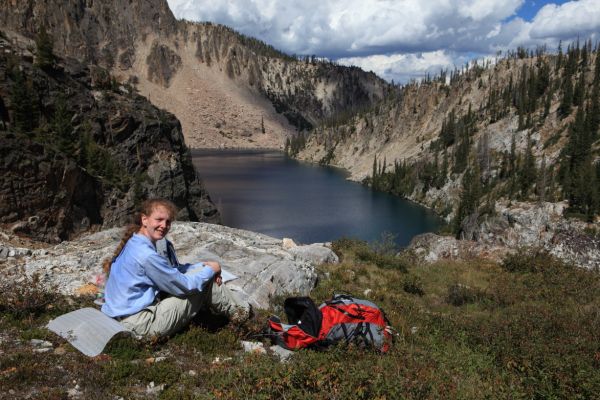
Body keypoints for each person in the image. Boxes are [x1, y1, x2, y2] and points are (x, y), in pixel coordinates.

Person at [101, 198, 251, 337]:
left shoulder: (135, 242)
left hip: (124, 317)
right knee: (206, 282)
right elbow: (183, 286)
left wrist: (204, 265)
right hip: (139, 325)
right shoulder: (147, 256)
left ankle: (237, 313)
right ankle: (246, 317)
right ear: (144, 219)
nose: (164, 226)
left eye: (168, 222)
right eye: (159, 220)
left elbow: (172, 272)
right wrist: (212, 270)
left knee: (202, 274)